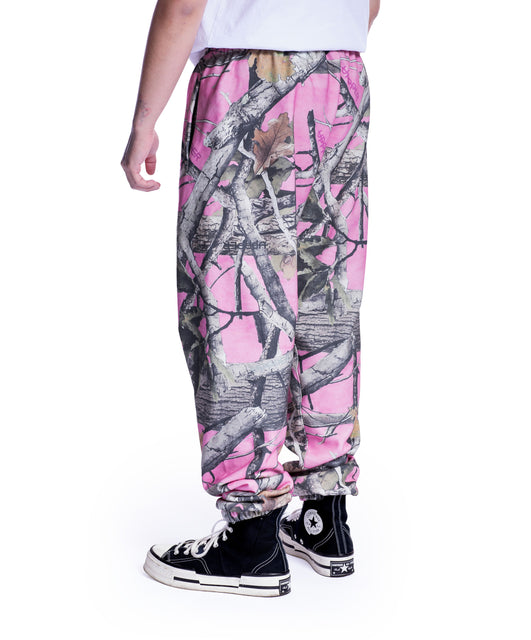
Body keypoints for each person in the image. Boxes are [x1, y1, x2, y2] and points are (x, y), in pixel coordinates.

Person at [121, 0, 380, 597]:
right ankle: (324, 514)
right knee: (326, 292)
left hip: (249, 77)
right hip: (340, 74)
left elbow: (185, 5)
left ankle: (252, 536)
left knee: (235, 292)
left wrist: (143, 121)